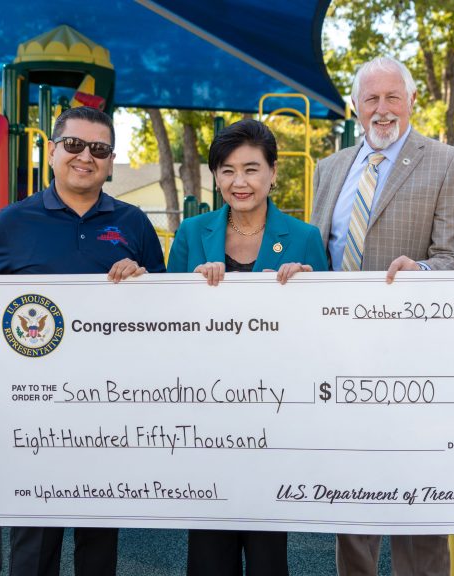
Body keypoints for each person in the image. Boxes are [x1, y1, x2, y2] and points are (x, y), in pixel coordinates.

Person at [0, 105, 166, 576]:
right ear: (52, 151)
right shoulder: (15, 221)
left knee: (99, 531)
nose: (85, 156)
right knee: (35, 536)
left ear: (111, 162)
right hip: (36, 407)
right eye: (73, 145)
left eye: (99, 149)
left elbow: (164, 304)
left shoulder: (133, 223)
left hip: (110, 402)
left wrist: (143, 277)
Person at [310, 55, 454, 576]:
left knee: (417, 493)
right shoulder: (329, 168)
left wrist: (419, 270)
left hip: (413, 357)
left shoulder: (448, 162)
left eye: (392, 97)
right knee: (352, 492)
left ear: (411, 101)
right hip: (339, 355)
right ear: (356, 107)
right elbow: (320, 255)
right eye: (371, 99)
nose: (382, 110)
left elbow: (453, 259)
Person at [168, 118, 327, 575]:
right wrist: (190, 293)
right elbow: (165, 324)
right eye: (228, 170)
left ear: (274, 173)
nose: (240, 182)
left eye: (252, 169)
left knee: (266, 554)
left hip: (273, 420)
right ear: (216, 177)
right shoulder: (191, 234)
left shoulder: (304, 239)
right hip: (206, 414)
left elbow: (320, 335)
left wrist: (310, 289)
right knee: (208, 553)